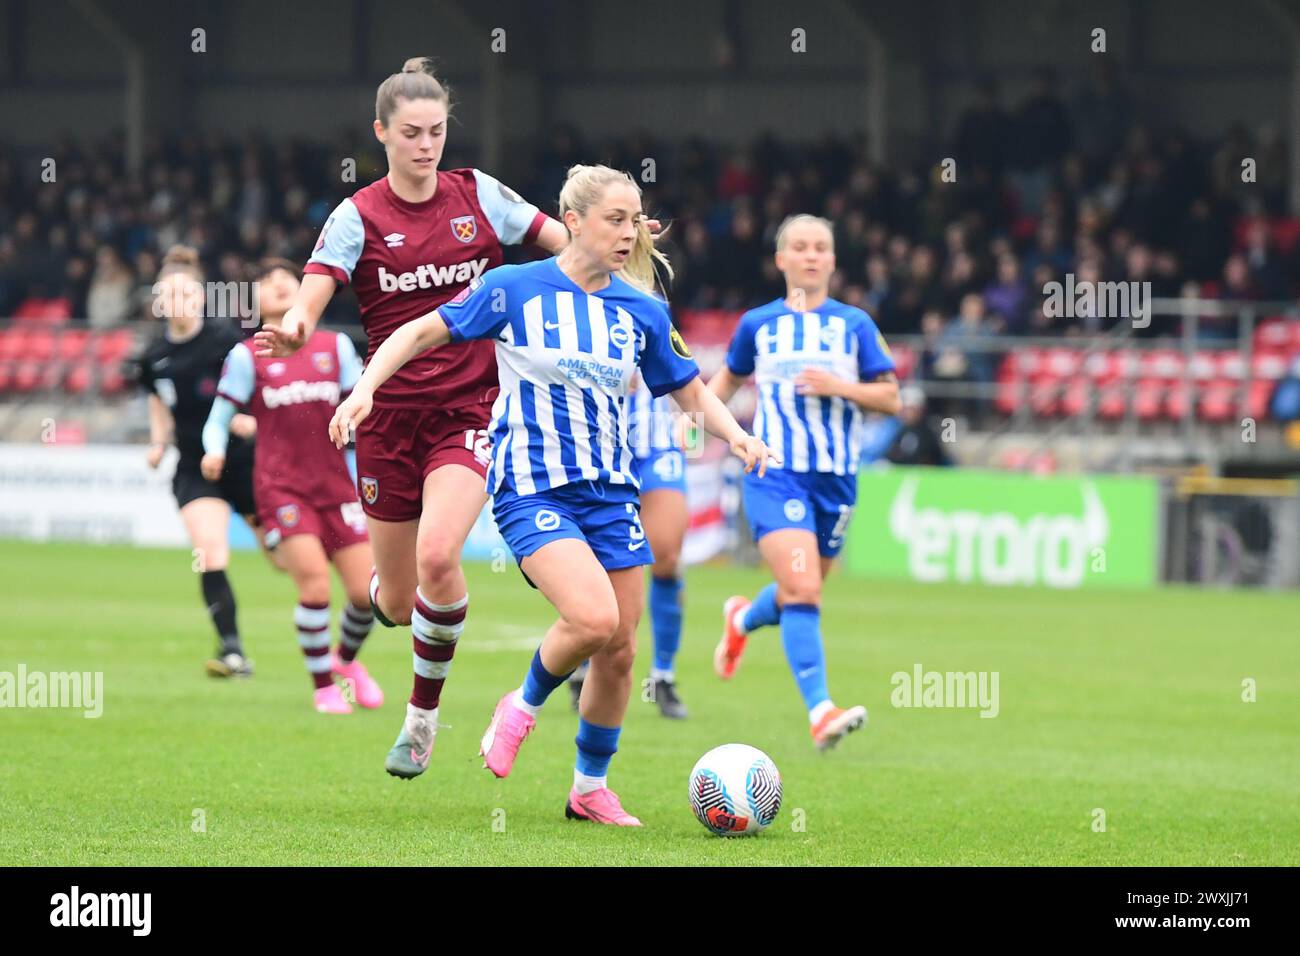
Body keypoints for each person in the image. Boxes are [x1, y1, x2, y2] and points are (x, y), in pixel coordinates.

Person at [329, 164, 773, 826]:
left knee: (620, 648)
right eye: (613, 220)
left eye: (633, 220)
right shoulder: (515, 288)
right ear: (573, 221)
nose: (627, 233)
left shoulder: (642, 310)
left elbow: (686, 387)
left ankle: (588, 789)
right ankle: (522, 705)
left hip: (609, 493)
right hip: (531, 488)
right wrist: (366, 387)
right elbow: (422, 330)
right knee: (592, 620)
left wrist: (738, 436)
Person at [253, 57, 572, 776]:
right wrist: (297, 330)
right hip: (387, 417)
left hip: (471, 409)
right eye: (412, 133)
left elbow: (564, 246)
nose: (427, 145)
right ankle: (378, 610)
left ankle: (422, 719)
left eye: (436, 131)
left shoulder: (480, 196)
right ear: (382, 134)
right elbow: (309, 303)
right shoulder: (356, 216)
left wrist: (617, 241)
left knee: (438, 557)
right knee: (397, 603)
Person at [706, 214, 900, 750]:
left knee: (804, 586)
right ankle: (820, 711)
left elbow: (891, 398)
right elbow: (727, 378)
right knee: (804, 587)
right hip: (775, 472)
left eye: (821, 248)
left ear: (833, 261)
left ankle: (743, 617)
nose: (811, 255)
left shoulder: (855, 325)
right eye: (800, 246)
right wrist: (691, 418)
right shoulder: (758, 324)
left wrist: (841, 386)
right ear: (781, 259)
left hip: (836, 479)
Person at [201, 259, 381, 713]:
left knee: (368, 595)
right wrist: (214, 449)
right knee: (315, 586)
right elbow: (218, 417)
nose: (279, 284)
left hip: (338, 488)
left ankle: (344, 662)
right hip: (283, 491)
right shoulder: (247, 356)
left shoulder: (335, 346)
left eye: (288, 278)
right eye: (267, 282)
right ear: (255, 301)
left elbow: (361, 407)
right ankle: (322, 686)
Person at [136, 245, 263, 677]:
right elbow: (159, 404)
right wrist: (158, 443)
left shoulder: (225, 340)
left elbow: (255, 387)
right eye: (168, 296)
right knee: (210, 552)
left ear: (200, 299)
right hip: (194, 466)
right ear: (159, 301)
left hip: (243, 461)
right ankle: (232, 650)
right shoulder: (153, 357)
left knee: (283, 556)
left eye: (185, 295)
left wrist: (247, 419)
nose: (177, 303)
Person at [568, 379, 691, 719]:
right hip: (595, 449)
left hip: (655, 449)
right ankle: (583, 661)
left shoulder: (654, 323)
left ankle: (662, 677)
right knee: (592, 560)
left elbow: (685, 377)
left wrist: (690, 428)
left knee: (666, 558)